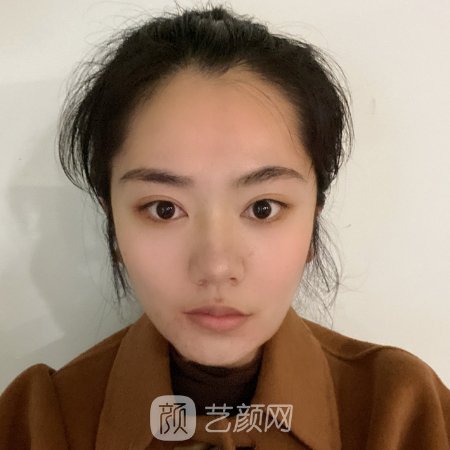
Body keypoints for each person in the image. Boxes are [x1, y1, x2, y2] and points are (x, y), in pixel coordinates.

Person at [0, 3, 449, 450]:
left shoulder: (402, 411)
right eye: (163, 209)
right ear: (113, 224)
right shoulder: (39, 422)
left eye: (263, 209)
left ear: (313, 219)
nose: (216, 266)